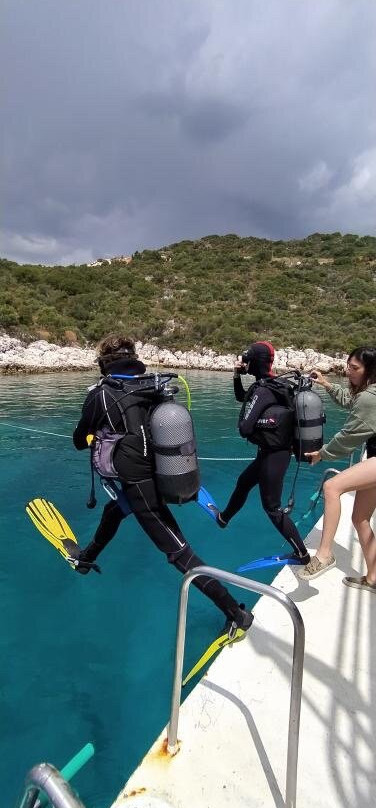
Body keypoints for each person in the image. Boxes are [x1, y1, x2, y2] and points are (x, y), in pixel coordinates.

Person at [72, 334, 253, 634]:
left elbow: (80, 440)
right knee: (115, 511)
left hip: (140, 482)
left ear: (104, 362)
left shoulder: (102, 394)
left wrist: (95, 436)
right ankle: (87, 558)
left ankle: (236, 613)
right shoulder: (150, 385)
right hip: (162, 473)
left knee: (179, 553)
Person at [215, 341, 310, 563]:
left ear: (254, 362)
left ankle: (302, 554)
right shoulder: (278, 383)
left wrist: (253, 422)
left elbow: (244, 428)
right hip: (274, 452)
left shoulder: (263, 389)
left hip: (273, 455)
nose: (243, 363)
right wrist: (237, 376)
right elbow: (244, 398)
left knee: (272, 507)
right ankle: (223, 518)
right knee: (244, 481)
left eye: (246, 360)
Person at [298, 346, 376, 580]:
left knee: (332, 487)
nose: (348, 372)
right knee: (360, 519)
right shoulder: (368, 394)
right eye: (348, 366)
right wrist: (326, 384)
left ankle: (324, 555)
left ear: (370, 370)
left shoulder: (370, 398)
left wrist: (323, 453)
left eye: (354, 368)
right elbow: (351, 400)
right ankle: (373, 577)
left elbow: (348, 437)